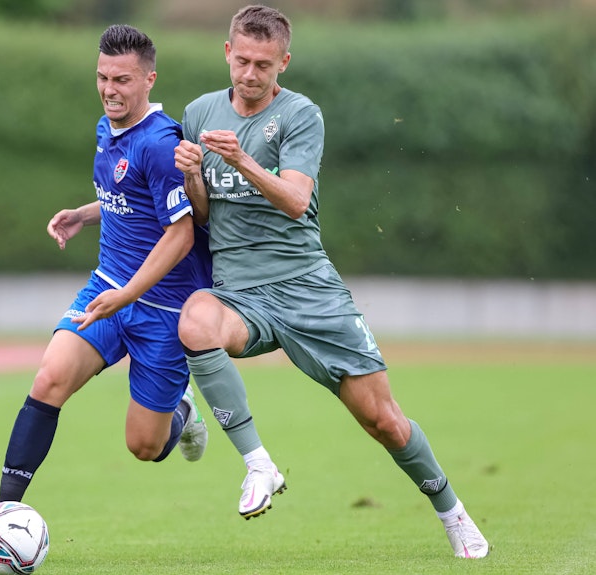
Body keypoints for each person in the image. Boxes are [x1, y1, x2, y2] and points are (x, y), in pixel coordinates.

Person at [173, 5, 489, 559]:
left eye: (263, 64)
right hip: (240, 294)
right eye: (242, 61)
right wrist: (194, 176)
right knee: (195, 321)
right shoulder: (199, 112)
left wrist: (242, 159)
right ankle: (258, 464)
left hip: (307, 290)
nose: (249, 74)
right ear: (227, 52)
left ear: (284, 63)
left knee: (384, 422)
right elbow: (201, 216)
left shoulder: (300, 115)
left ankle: (452, 512)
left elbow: (297, 200)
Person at [0, 24, 211, 555]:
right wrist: (84, 213)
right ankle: (0, 517)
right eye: (102, 77)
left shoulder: (162, 145)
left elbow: (182, 234)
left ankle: (182, 413)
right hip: (108, 288)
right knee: (49, 378)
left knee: (144, 446)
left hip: (164, 310)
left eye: (122, 79)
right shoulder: (108, 128)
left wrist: (129, 295)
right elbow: (129, 198)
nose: (109, 89)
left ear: (149, 79)